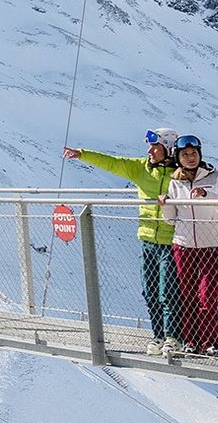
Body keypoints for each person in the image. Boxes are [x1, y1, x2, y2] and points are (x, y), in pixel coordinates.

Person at [63, 127, 181, 355]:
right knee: (150, 291)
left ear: (168, 149)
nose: (149, 151)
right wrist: (82, 154)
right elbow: (112, 163)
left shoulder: (181, 174)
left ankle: (173, 336)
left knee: (169, 291)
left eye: (155, 147)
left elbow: (208, 183)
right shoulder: (141, 168)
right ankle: (158, 335)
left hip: (171, 240)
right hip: (147, 239)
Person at [159, 135, 218, 356]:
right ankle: (191, 339)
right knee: (188, 295)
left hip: (212, 244)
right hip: (183, 244)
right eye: (185, 155)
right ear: (178, 158)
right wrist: (165, 204)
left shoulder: (214, 176)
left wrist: (206, 194)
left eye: (194, 154)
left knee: (207, 296)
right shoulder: (175, 182)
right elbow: (171, 219)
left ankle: (210, 341)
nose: (190, 158)